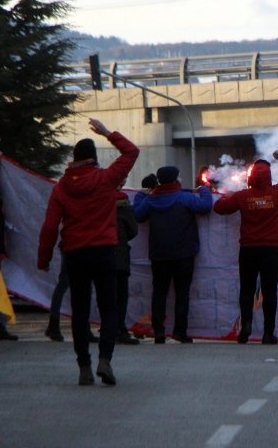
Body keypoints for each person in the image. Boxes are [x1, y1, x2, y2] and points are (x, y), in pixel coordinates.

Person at [37, 118, 139, 386]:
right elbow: (132, 151)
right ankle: (105, 359)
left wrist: (44, 258)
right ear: (93, 158)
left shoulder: (61, 188)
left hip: (75, 254)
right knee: (108, 308)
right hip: (105, 251)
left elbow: (49, 227)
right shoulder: (106, 179)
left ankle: (84, 366)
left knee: (80, 311)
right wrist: (107, 132)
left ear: (74, 158)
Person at [213, 151, 278, 344]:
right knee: (269, 291)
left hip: (248, 250)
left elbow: (220, 209)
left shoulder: (242, 196)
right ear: (269, 176)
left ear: (250, 177)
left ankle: (246, 326)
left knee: (247, 290)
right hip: (271, 250)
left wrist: (224, 197)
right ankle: (268, 333)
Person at [133, 166, 212, 344]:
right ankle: (180, 332)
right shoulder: (185, 198)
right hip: (184, 254)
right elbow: (206, 206)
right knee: (182, 294)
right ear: (176, 179)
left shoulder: (151, 200)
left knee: (159, 293)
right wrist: (205, 190)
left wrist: (140, 194)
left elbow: (137, 215)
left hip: (159, 255)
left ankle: (159, 331)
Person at [115, 181, 140, 344]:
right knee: (120, 294)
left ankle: (108, 328)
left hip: (96, 253)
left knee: (104, 295)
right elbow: (133, 230)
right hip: (118, 255)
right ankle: (119, 329)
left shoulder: (93, 200)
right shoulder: (122, 204)